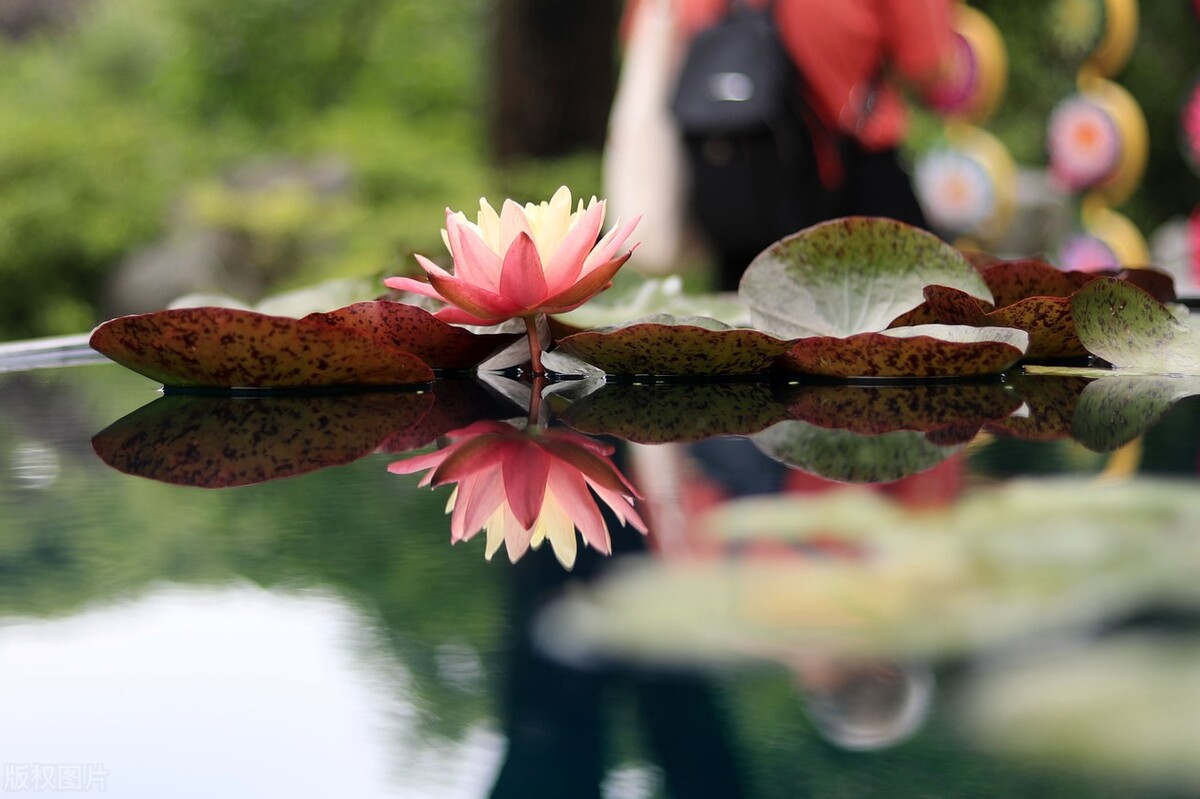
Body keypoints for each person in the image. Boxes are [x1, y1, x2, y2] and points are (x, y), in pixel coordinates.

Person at [620, 0, 956, 290]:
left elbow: (641, 40)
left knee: (745, 335)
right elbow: (929, 66)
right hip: (858, 193)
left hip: (741, 205)